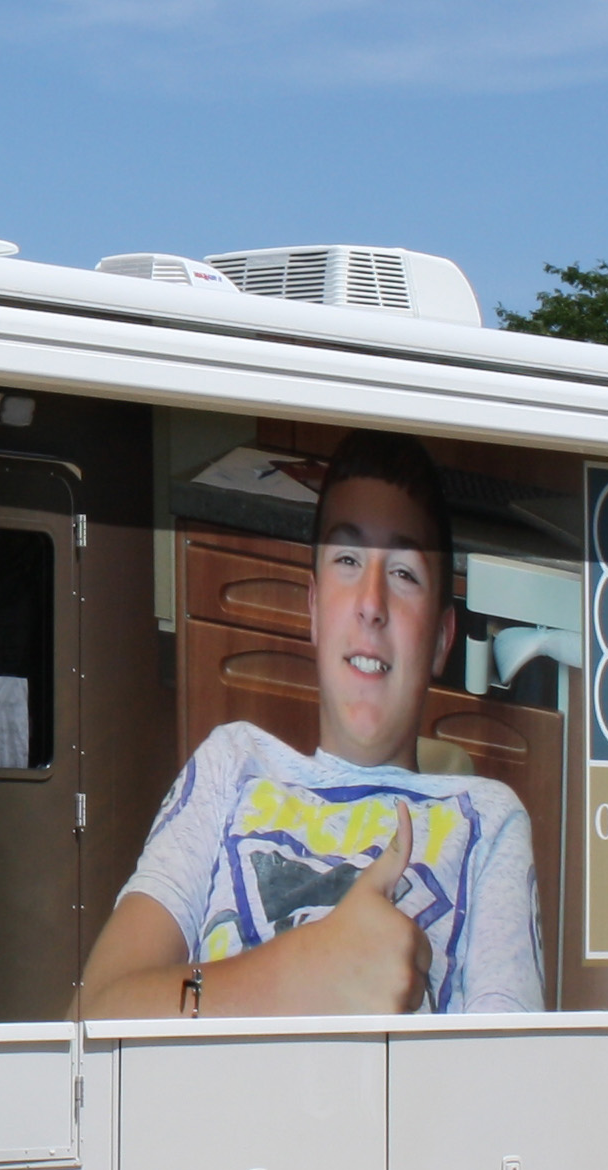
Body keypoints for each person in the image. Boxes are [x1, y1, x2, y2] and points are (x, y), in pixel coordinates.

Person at [77, 430, 541, 1019]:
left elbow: (510, 1087)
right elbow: (92, 1015)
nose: (371, 602)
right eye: (348, 561)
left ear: (442, 640)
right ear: (314, 611)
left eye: (404, 573)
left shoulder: (486, 821)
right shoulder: (234, 765)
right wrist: (302, 974)